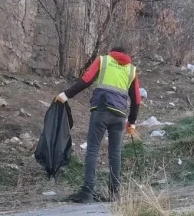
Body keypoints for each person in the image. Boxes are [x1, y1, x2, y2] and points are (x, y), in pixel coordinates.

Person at [57, 46, 141, 203]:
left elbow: (86, 80)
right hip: (119, 116)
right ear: (126, 55)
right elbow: (136, 99)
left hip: (101, 111)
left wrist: (66, 95)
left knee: (93, 150)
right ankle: (114, 193)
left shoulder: (103, 60)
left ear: (112, 52)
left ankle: (87, 191)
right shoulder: (131, 70)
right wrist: (132, 122)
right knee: (115, 154)